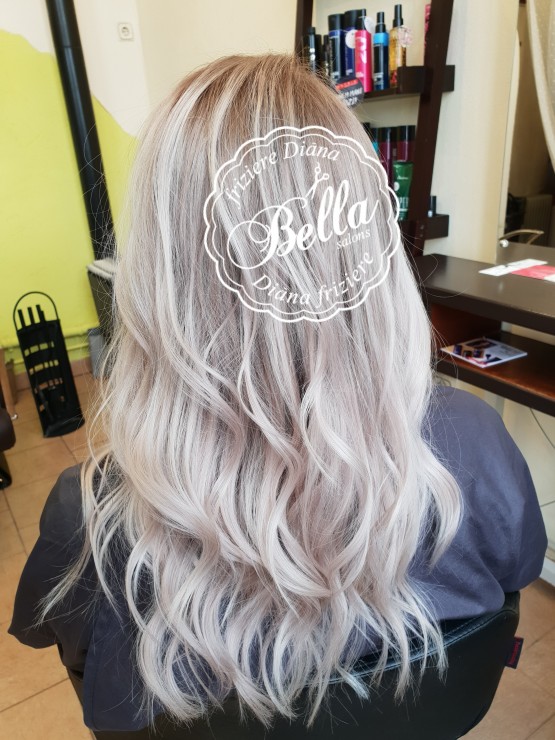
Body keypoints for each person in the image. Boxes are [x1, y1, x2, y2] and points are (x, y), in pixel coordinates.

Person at [9, 54, 547, 734]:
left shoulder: (91, 516)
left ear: (161, 273)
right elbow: (513, 576)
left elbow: (78, 662)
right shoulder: (474, 442)